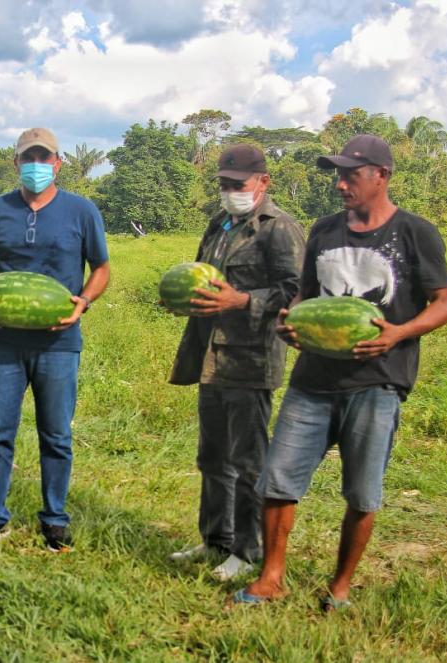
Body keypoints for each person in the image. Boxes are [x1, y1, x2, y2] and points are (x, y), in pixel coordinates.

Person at [237, 134, 447, 609]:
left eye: (351, 175)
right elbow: (305, 296)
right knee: (277, 480)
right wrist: (289, 321)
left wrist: (398, 333)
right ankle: (271, 577)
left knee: (361, 490)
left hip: (378, 381)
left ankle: (339, 587)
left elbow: (443, 304)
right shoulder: (324, 230)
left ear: (382, 175)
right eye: (337, 175)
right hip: (312, 380)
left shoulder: (416, 233)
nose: (340, 184)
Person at [0, 127, 110, 551]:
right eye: (30, 158)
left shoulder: (82, 211)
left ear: (58, 163)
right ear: (16, 164)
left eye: (45, 158)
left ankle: (55, 521)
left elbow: (101, 268)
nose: (37, 166)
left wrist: (82, 300)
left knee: (57, 436)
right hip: (4, 340)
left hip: (59, 343)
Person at [167, 144, 304, 580]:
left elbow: (296, 291)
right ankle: (215, 540)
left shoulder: (279, 229)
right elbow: (202, 276)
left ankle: (246, 552)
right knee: (212, 457)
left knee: (247, 461)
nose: (229, 192)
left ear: (263, 182)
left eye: (237, 185)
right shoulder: (219, 224)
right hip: (210, 354)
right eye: (224, 184)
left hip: (249, 359)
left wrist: (241, 299)